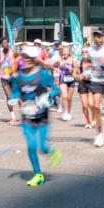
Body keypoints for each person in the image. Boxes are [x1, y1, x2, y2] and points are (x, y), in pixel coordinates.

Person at [8, 47, 62, 187]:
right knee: (31, 146)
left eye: (29, 57)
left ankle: (52, 152)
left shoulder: (43, 74)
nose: (26, 59)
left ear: (35, 59)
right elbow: (15, 92)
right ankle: (38, 175)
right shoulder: (19, 76)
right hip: (26, 116)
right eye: (24, 56)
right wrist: (13, 98)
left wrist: (47, 96)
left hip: (42, 116)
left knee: (42, 147)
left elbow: (56, 89)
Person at [0, 38, 18, 125]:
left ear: (8, 43)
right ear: (1, 45)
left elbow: (19, 62)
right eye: (3, 43)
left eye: (6, 42)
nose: (5, 44)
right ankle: (13, 117)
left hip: (13, 77)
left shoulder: (13, 53)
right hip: (4, 77)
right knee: (9, 97)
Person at [56, 45, 78, 121]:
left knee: (69, 98)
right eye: (64, 51)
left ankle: (68, 112)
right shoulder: (59, 60)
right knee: (64, 96)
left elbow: (76, 69)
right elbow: (55, 66)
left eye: (66, 51)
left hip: (71, 79)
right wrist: (57, 70)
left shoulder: (72, 59)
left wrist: (71, 69)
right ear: (62, 52)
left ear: (69, 52)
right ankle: (65, 112)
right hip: (62, 79)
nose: (65, 53)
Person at [78, 47, 94, 129]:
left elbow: (99, 73)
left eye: (86, 52)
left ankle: (94, 116)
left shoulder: (93, 63)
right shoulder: (79, 63)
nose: (84, 53)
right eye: (83, 52)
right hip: (82, 84)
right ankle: (88, 121)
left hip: (91, 84)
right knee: (84, 105)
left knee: (91, 104)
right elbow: (74, 73)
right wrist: (78, 76)